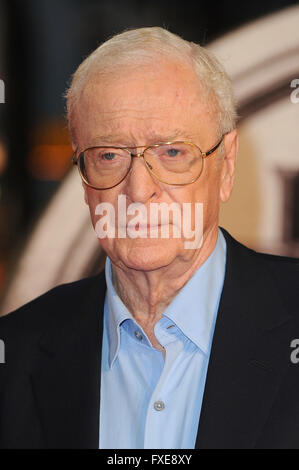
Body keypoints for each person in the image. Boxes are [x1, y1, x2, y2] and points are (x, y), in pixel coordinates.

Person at [0, 27, 298, 450]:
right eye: (109, 155)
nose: (139, 191)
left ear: (226, 165)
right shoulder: (14, 355)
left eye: (172, 152)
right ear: (83, 183)